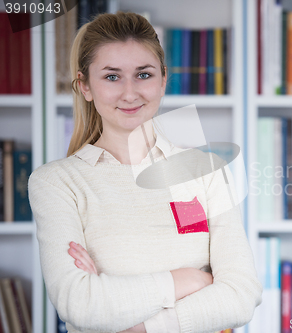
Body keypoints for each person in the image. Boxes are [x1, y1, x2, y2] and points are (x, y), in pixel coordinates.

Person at [27, 11, 262, 333]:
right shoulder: (57, 182)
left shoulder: (205, 172)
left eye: (144, 75)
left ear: (163, 78)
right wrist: (189, 280)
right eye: (111, 77)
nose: (129, 93)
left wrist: (135, 325)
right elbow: (79, 304)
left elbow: (241, 296)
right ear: (84, 86)